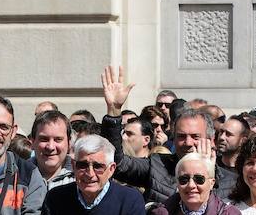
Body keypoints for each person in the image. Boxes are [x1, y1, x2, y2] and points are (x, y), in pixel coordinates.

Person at [99, 66, 236, 203]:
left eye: (195, 137)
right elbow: (118, 164)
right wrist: (114, 111)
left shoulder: (231, 181)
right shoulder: (157, 166)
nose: (188, 143)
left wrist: (207, 170)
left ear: (211, 140)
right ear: (173, 138)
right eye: (181, 136)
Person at [31, 110, 74, 190]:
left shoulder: (81, 176)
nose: (51, 147)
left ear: (69, 142)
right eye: (44, 139)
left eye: (58, 139)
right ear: (33, 142)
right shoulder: (18, 175)